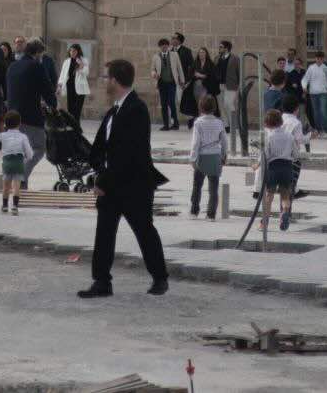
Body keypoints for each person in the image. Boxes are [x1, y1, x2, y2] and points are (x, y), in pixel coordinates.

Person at [78, 59, 169, 299]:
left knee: (144, 231)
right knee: (104, 233)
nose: (104, 82)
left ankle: (160, 277)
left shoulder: (136, 109)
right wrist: (97, 173)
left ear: (116, 81)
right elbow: (99, 149)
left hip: (134, 185)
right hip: (111, 184)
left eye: (107, 77)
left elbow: (129, 153)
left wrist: (102, 182)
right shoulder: (114, 111)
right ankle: (101, 281)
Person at [5, 39, 56, 186]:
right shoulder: (36, 66)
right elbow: (47, 89)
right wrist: (53, 104)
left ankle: (19, 180)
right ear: (38, 53)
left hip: (12, 115)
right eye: (41, 54)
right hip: (29, 116)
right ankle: (21, 178)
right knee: (39, 147)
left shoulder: (13, 66)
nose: (42, 57)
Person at [0, 110, 34, 215]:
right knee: (16, 186)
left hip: (7, 163)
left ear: (5, 124)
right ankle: (15, 207)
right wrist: (26, 159)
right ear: (19, 123)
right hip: (18, 162)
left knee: (6, 186)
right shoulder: (23, 136)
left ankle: (4, 206)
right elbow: (29, 153)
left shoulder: (4, 135)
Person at [188, 95, 227, 219]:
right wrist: (224, 155)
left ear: (201, 107)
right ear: (214, 108)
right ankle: (211, 214)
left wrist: (192, 158)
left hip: (202, 157)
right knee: (213, 188)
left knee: (197, 186)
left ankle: (194, 211)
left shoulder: (198, 123)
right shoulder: (219, 123)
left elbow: (195, 142)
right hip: (215, 157)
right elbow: (224, 141)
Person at [261, 109, 298, 232]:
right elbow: (296, 155)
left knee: (269, 196)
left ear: (268, 123)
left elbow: (266, 154)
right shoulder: (290, 136)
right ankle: (285, 212)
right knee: (285, 196)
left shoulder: (269, 136)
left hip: (273, 167)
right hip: (287, 167)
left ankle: (265, 223)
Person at [151, 38, 185, 131]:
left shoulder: (174, 55)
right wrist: (154, 74)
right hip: (161, 83)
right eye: (162, 46)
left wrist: (182, 80)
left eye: (166, 45)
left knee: (171, 102)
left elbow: (179, 68)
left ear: (168, 46)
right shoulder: (156, 57)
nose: (164, 47)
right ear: (160, 47)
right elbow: (152, 69)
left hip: (171, 82)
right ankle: (166, 125)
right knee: (163, 104)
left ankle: (175, 123)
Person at [301, 51, 327, 137]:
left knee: (323, 111)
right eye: (317, 58)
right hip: (313, 93)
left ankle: (323, 130)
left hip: (323, 93)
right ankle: (317, 130)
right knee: (316, 113)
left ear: (323, 59)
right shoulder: (311, 68)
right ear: (315, 58)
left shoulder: (326, 69)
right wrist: (304, 87)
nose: (319, 60)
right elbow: (305, 79)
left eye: (320, 58)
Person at [57, 43, 90, 124]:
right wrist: (59, 86)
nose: (72, 52)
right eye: (71, 51)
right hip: (70, 87)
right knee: (70, 109)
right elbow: (62, 74)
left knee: (77, 110)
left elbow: (86, 72)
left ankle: (77, 127)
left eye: (74, 51)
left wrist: (81, 66)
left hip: (80, 89)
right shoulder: (66, 61)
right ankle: (72, 127)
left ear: (78, 51)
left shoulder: (83, 60)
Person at [215, 40, 241, 133]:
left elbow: (239, 72)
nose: (219, 48)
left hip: (231, 85)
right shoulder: (217, 58)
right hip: (219, 85)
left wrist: (239, 86)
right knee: (221, 106)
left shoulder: (235, 58)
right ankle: (226, 126)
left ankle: (233, 125)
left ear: (226, 48)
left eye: (221, 47)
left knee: (229, 104)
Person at [172, 32, 196, 123]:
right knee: (172, 102)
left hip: (182, 81)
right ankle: (174, 121)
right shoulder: (170, 51)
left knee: (181, 100)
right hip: (171, 81)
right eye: (172, 38)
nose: (172, 40)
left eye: (174, 38)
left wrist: (187, 81)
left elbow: (191, 67)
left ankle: (190, 117)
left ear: (179, 40)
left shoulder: (186, 51)